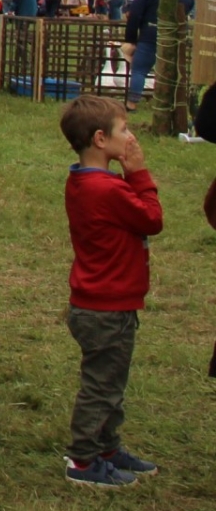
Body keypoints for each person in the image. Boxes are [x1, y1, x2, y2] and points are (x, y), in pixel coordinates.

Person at [58, 95, 162, 488]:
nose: (131, 137)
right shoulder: (109, 190)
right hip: (108, 308)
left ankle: (107, 446)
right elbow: (152, 219)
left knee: (111, 382)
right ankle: (83, 461)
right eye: (125, 130)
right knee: (101, 386)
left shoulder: (84, 181)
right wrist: (138, 172)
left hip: (98, 303)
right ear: (101, 139)